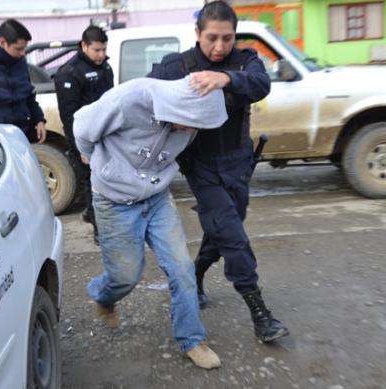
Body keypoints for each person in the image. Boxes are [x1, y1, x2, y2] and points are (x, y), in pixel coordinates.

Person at [148, 0, 289, 343]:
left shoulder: (245, 61)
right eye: (212, 38)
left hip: (239, 164)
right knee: (232, 233)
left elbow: (260, 84)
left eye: (227, 38)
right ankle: (259, 312)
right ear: (198, 33)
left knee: (225, 228)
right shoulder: (177, 65)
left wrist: (225, 78)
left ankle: (196, 274)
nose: (219, 46)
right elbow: (146, 98)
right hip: (201, 168)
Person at [73, 75, 227, 369]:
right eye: (189, 121)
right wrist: (102, 166)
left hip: (157, 196)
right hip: (114, 201)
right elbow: (83, 125)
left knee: (182, 268)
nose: (191, 130)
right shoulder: (132, 99)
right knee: (126, 276)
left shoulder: (190, 123)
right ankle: (104, 296)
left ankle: (191, 339)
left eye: (198, 124)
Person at [55, 26, 114, 244]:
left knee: (108, 180)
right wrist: (80, 148)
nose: (101, 55)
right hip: (85, 140)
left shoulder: (105, 67)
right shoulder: (69, 73)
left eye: (104, 49)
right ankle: (101, 231)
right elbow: (68, 117)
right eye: (96, 50)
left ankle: (93, 214)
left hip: (106, 135)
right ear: (84, 46)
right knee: (93, 183)